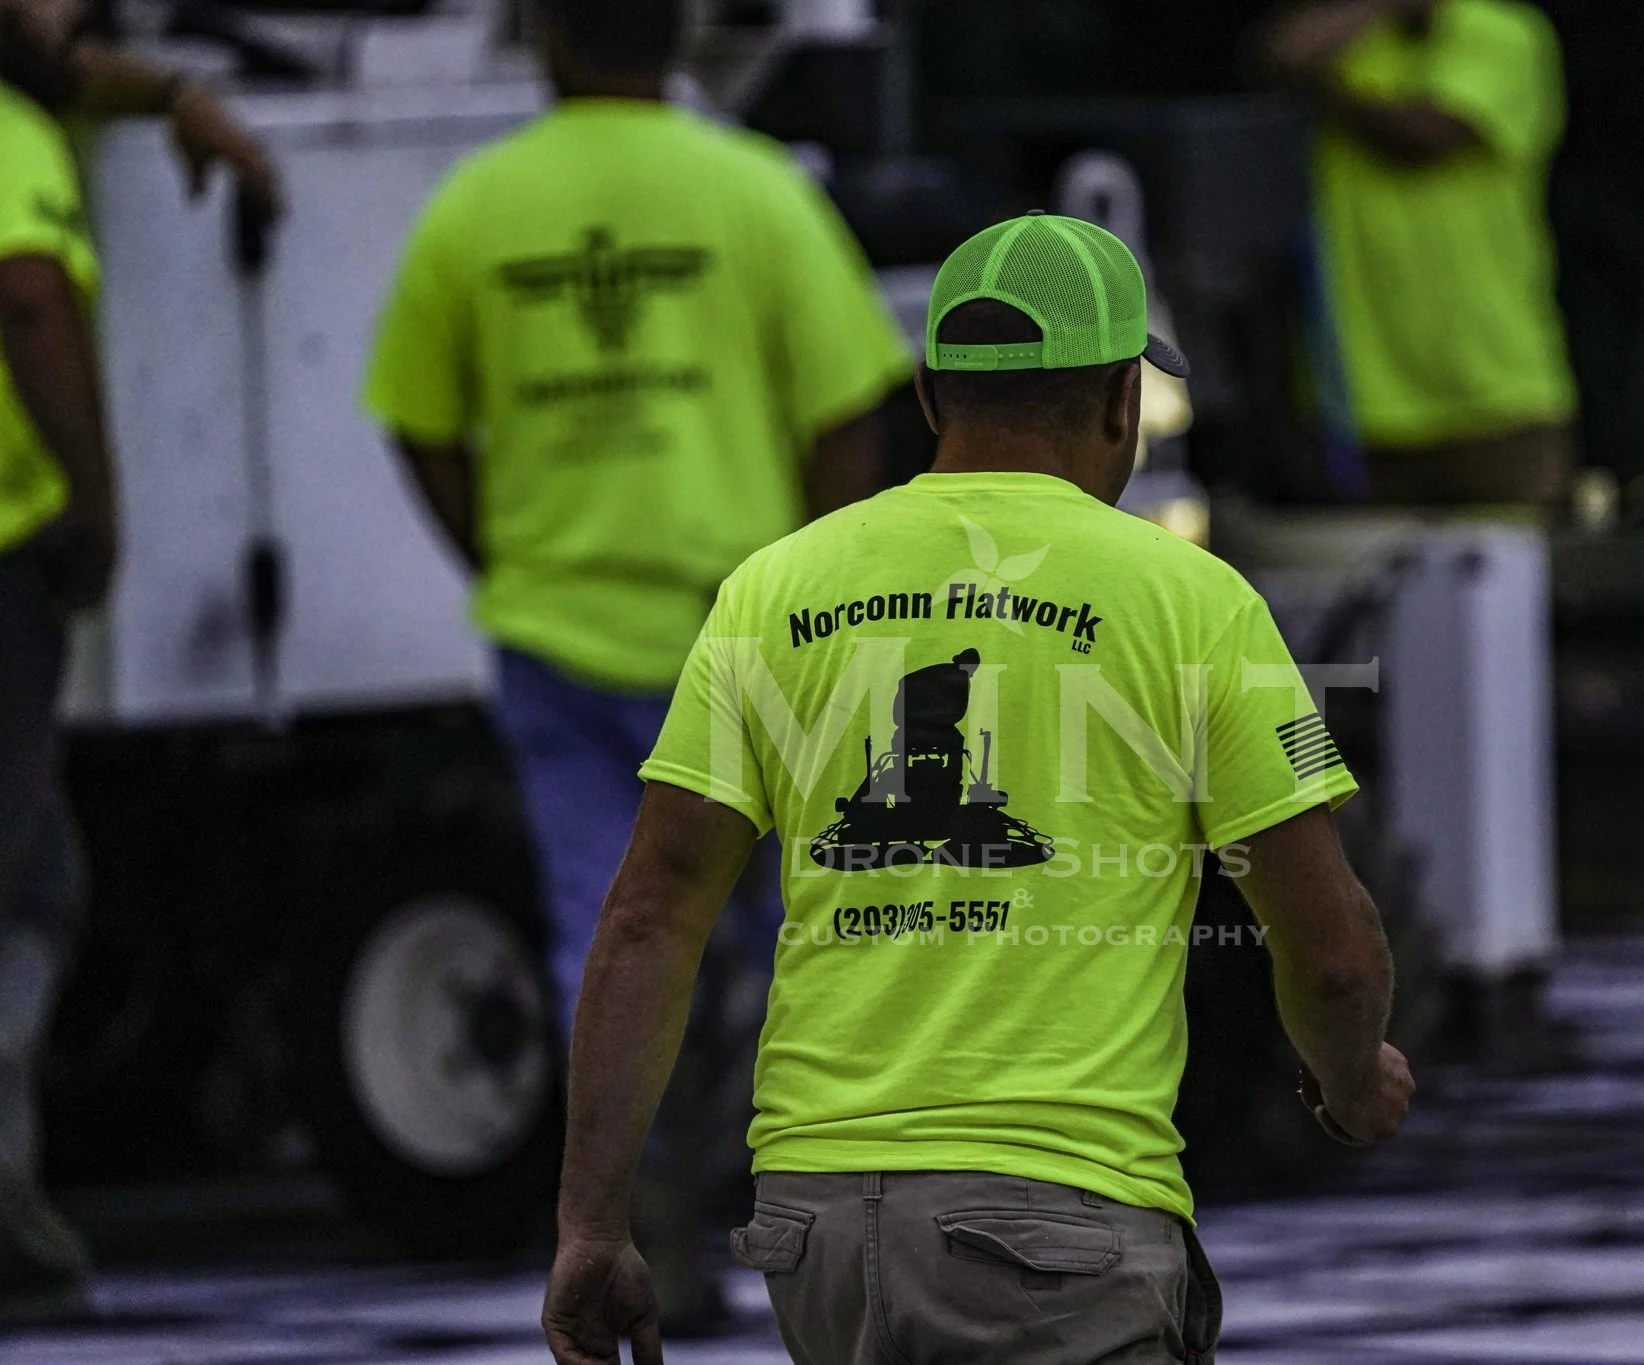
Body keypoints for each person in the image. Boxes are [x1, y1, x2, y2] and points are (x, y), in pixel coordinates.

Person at [541, 213, 1415, 1365]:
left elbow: (650, 914)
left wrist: (592, 1225)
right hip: (1055, 1233)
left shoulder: (773, 590)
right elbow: (1333, 948)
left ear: (927, 397)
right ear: (1118, 405)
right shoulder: (1190, 602)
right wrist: (1350, 1081)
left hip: (812, 1233)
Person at [361, 0, 911, 1332]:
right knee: (781, 937)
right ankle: (762, 1198)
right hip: (743, 644)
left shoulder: (476, 209)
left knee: (604, 937)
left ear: (544, 41)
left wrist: (504, 555)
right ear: (675, 41)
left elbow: (420, 422)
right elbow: (852, 416)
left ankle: (628, 1208)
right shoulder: (761, 193)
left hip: (558, 636)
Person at [0, 0, 279, 1311]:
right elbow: (31, 294)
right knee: (27, 884)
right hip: (6, 558)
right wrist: (96, 504)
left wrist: (166, 96)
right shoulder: (11, 138)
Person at [1265, 0, 1578, 507]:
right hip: (1358, 406)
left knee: (1506, 577)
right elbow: (1283, 52)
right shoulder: (1358, 40)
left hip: (1497, 396)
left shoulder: (1506, 33)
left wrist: (1324, 95)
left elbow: (1425, 135)